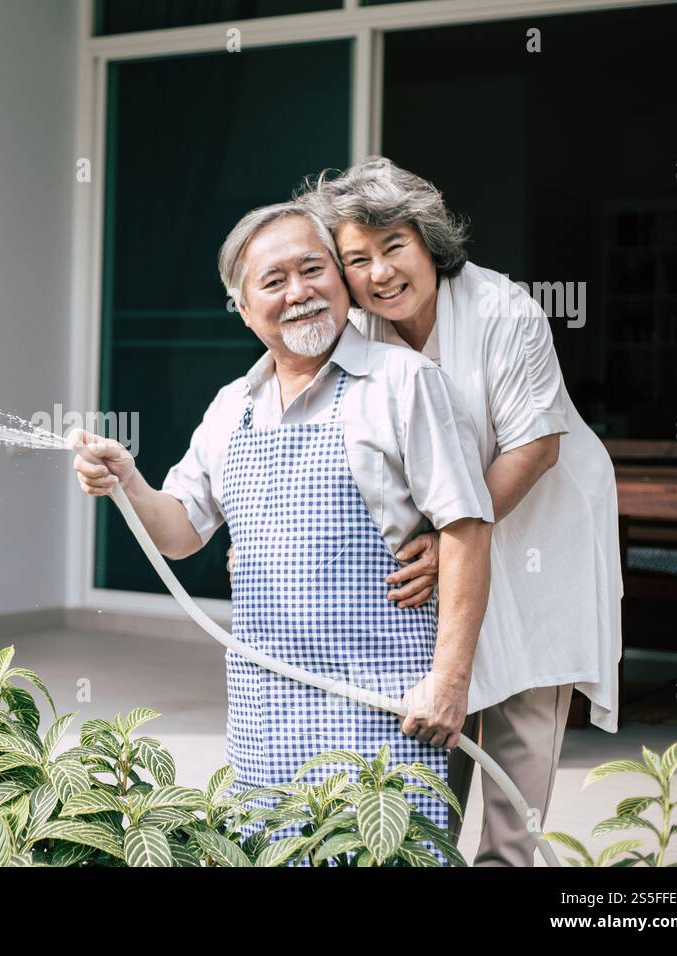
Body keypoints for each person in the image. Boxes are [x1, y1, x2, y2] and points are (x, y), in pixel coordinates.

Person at [71, 201, 494, 854]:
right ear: (242, 307)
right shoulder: (229, 408)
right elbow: (181, 532)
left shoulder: (404, 383)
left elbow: (466, 527)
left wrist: (450, 681)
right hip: (265, 715)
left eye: (312, 269)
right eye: (273, 281)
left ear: (339, 278)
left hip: (389, 706)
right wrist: (128, 481)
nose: (298, 293)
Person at [311, 156, 622, 866]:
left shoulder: (503, 309)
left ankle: (510, 859)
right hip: (442, 537)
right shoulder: (353, 334)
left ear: (428, 241)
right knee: (433, 726)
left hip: (541, 526)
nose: (381, 272)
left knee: (519, 729)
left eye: (393, 247)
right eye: (357, 259)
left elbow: (537, 446)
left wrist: (446, 536)